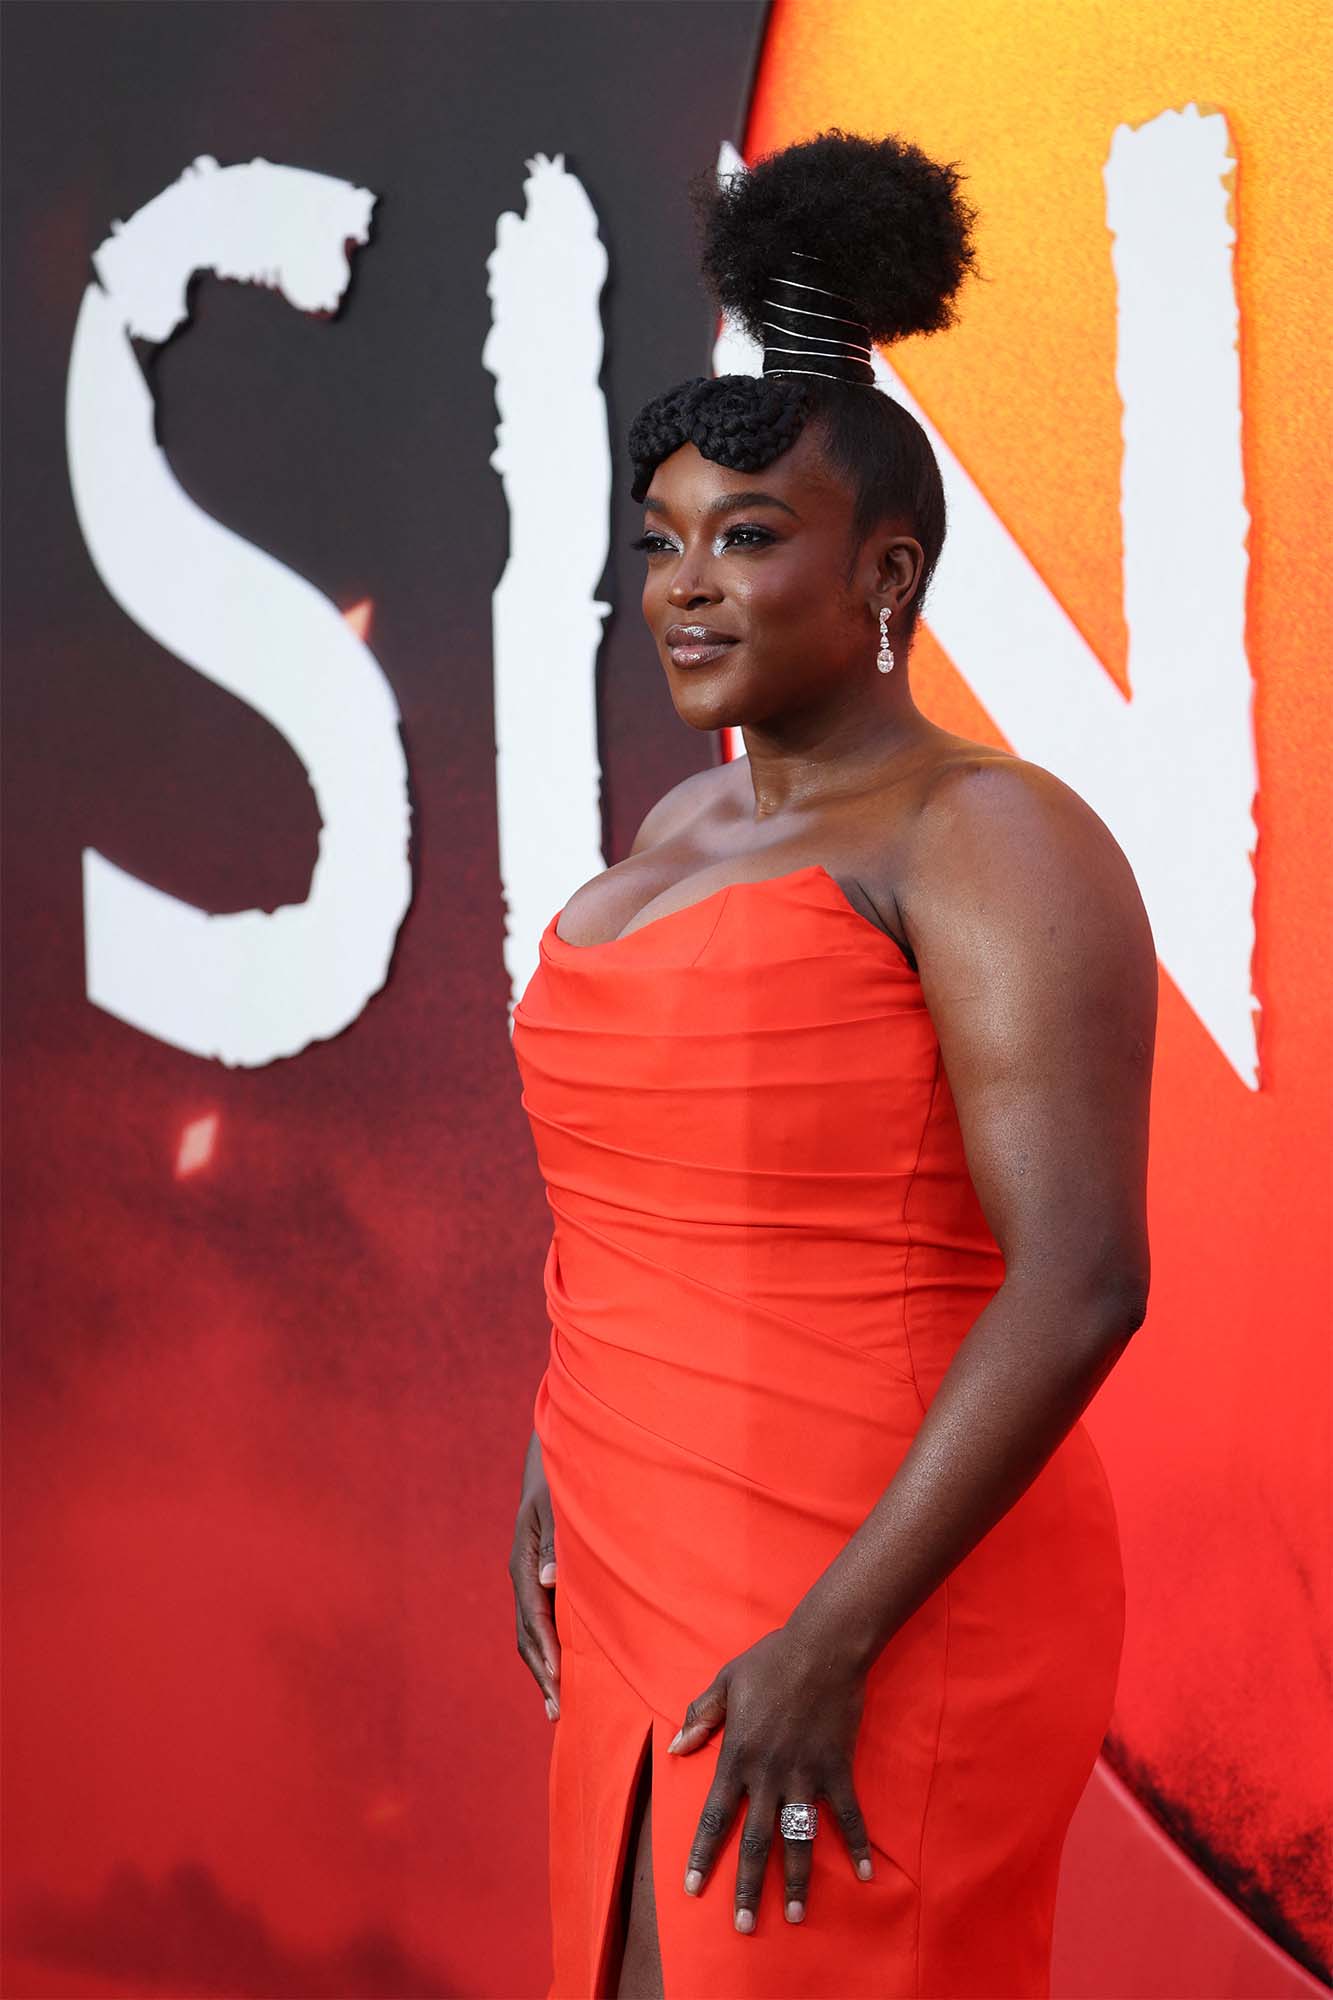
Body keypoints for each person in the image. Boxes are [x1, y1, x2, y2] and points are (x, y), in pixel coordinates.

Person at [508, 128, 1157, 2000]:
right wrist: (554, 1438)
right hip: (637, 1533)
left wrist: (836, 1632)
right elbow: (649, 1201)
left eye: (747, 538)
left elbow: (1082, 1280)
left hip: (877, 1573)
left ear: (886, 570)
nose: (684, 588)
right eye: (660, 543)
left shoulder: (989, 838)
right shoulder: (673, 835)